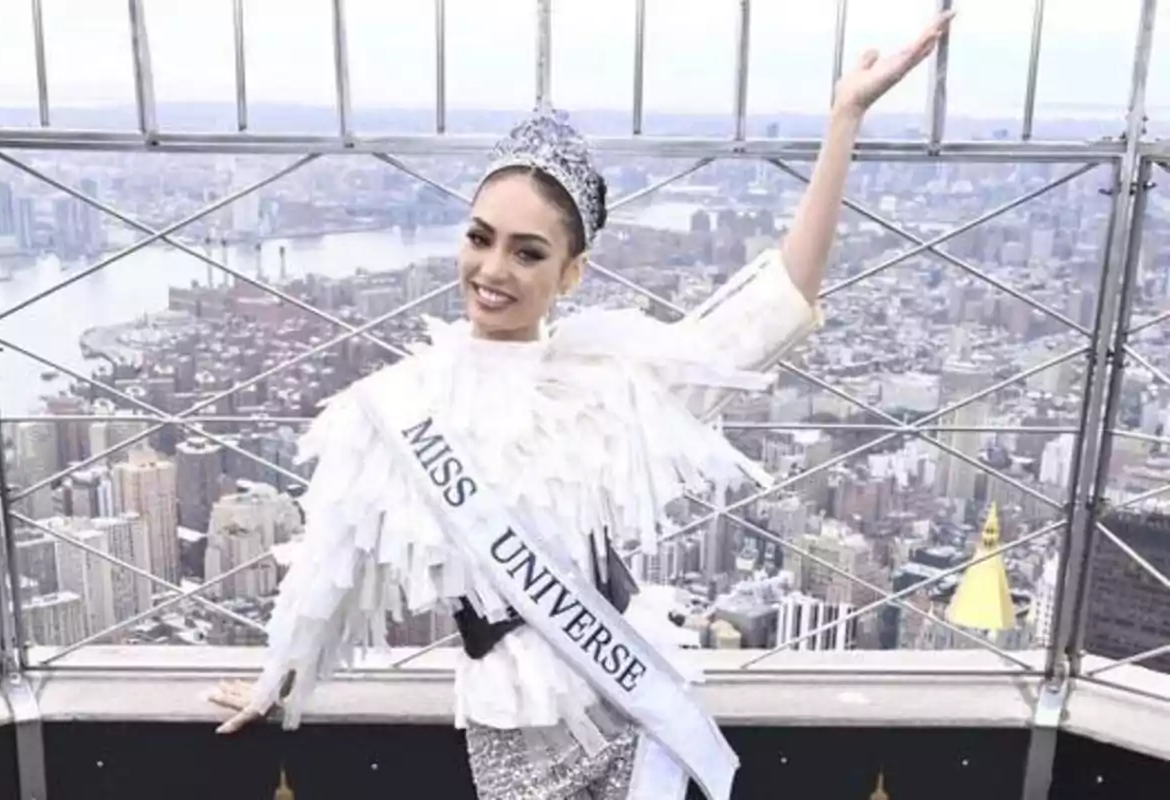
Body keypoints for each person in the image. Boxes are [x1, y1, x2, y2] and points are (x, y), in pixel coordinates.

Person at [210, 13, 954, 799]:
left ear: (570, 273)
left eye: (528, 252)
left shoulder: (604, 378)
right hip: (514, 724)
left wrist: (844, 120)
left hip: (629, 697)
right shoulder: (391, 410)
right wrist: (275, 684)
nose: (493, 268)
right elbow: (332, 565)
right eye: (480, 237)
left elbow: (766, 314)